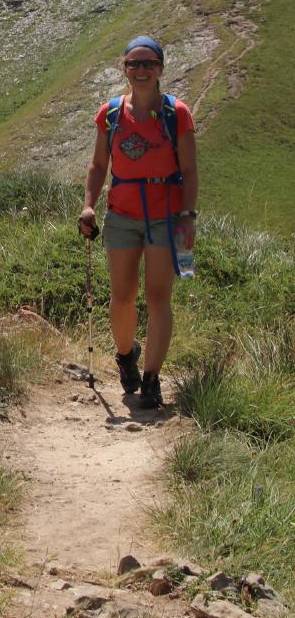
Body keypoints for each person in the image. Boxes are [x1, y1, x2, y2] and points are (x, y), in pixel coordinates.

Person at [78, 36, 198, 409]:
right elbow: (99, 164)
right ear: (125, 68)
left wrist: (188, 216)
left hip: (166, 216)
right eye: (134, 63)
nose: (141, 70)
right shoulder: (111, 113)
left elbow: (190, 169)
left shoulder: (177, 113)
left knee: (158, 297)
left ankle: (151, 379)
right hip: (122, 215)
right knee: (123, 297)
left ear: (160, 68)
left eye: (149, 63)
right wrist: (88, 206)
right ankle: (126, 355)